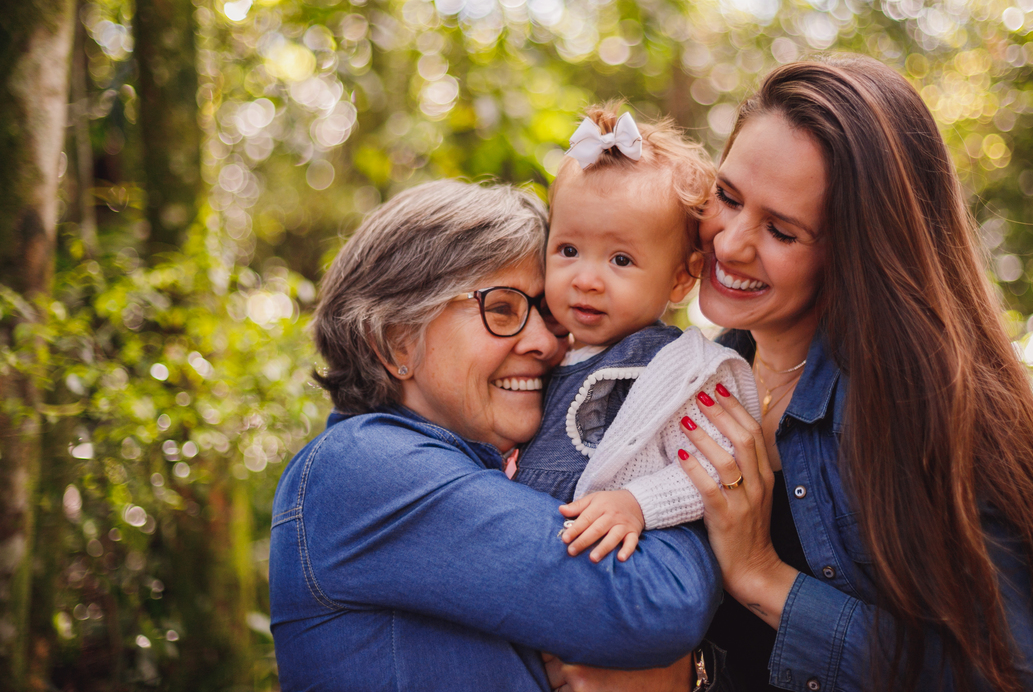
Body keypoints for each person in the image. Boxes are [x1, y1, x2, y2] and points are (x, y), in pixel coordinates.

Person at [548, 55, 1033, 692]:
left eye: (782, 232)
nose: (731, 244)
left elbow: (1010, 676)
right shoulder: (689, 378)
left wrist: (763, 576)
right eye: (729, 198)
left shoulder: (926, 409)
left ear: (855, 251)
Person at [269, 179, 721, 692]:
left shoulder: (490, 470)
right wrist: (704, 493)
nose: (544, 344)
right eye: (502, 309)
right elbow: (657, 601)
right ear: (394, 340)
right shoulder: (366, 466)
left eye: (546, 313)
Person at [515, 105, 760, 564]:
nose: (586, 279)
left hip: (604, 573)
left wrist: (638, 503)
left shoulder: (677, 370)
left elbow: (716, 463)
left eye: (620, 260)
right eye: (569, 250)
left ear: (681, 280)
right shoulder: (543, 351)